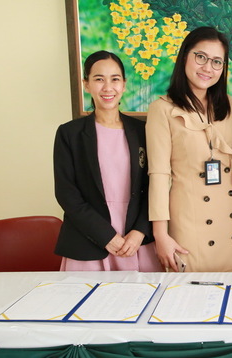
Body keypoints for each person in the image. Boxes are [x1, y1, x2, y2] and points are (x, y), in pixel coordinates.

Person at [146, 26, 232, 272]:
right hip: (189, 226)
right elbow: (158, 175)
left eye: (217, 62)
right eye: (200, 57)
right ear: (184, 57)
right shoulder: (162, 109)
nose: (207, 68)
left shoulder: (227, 105)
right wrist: (160, 234)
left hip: (229, 222)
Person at [54, 50, 161, 271]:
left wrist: (140, 231)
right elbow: (67, 194)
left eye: (115, 79)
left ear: (124, 84)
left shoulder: (143, 131)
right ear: (86, 84)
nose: (108, 87)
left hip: (136, 241)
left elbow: (155, 185)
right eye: (99, 79)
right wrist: (106, 236)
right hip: (87, 241)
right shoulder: (69, 134)